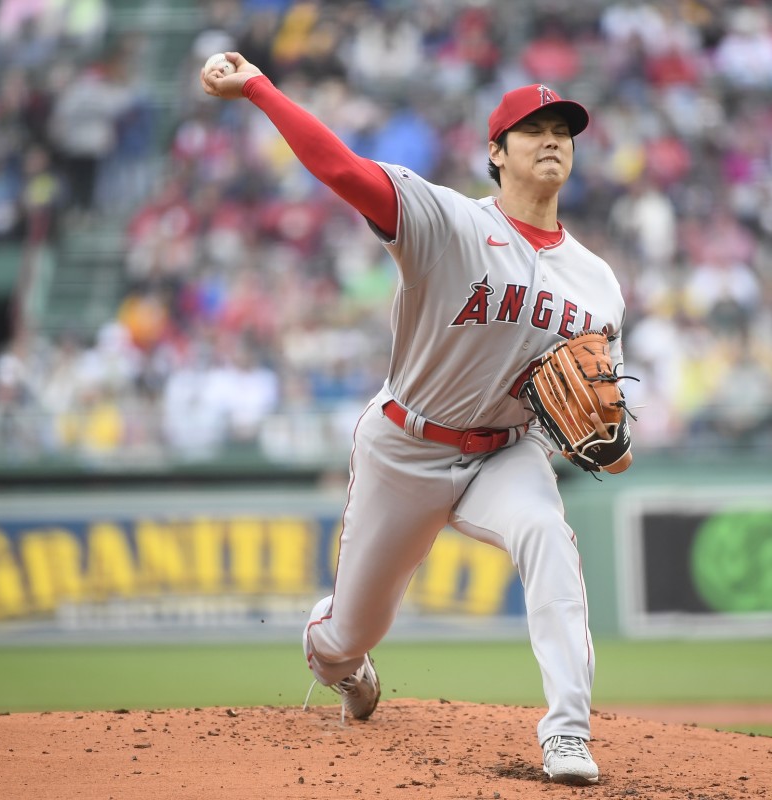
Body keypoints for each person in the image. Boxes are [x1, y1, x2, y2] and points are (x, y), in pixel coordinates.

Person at [201, 53, 631, 786]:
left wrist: (613, 442)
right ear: (496, 153)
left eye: (563, 129)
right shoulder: (448, 221)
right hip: (407, 445)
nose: (552, 139)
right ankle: (342, 662)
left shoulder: (597, 281)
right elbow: (339, 168)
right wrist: (259, 88)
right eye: (533, 130)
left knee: (549, 538)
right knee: (349, 634)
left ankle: (566, 734)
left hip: (504, 452)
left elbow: (602, 407)